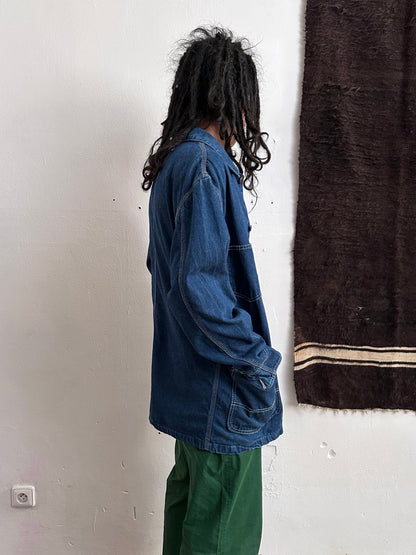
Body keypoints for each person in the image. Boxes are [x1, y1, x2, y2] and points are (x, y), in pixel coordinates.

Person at [142, 25, 284, 555]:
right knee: (225, 538)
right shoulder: (204, 166)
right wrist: (257, 359)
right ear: (232, 97)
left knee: (190, 530)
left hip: (191, 390)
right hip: (221, 394)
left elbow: (168, 273)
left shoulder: (177, 162)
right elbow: (198, 292)